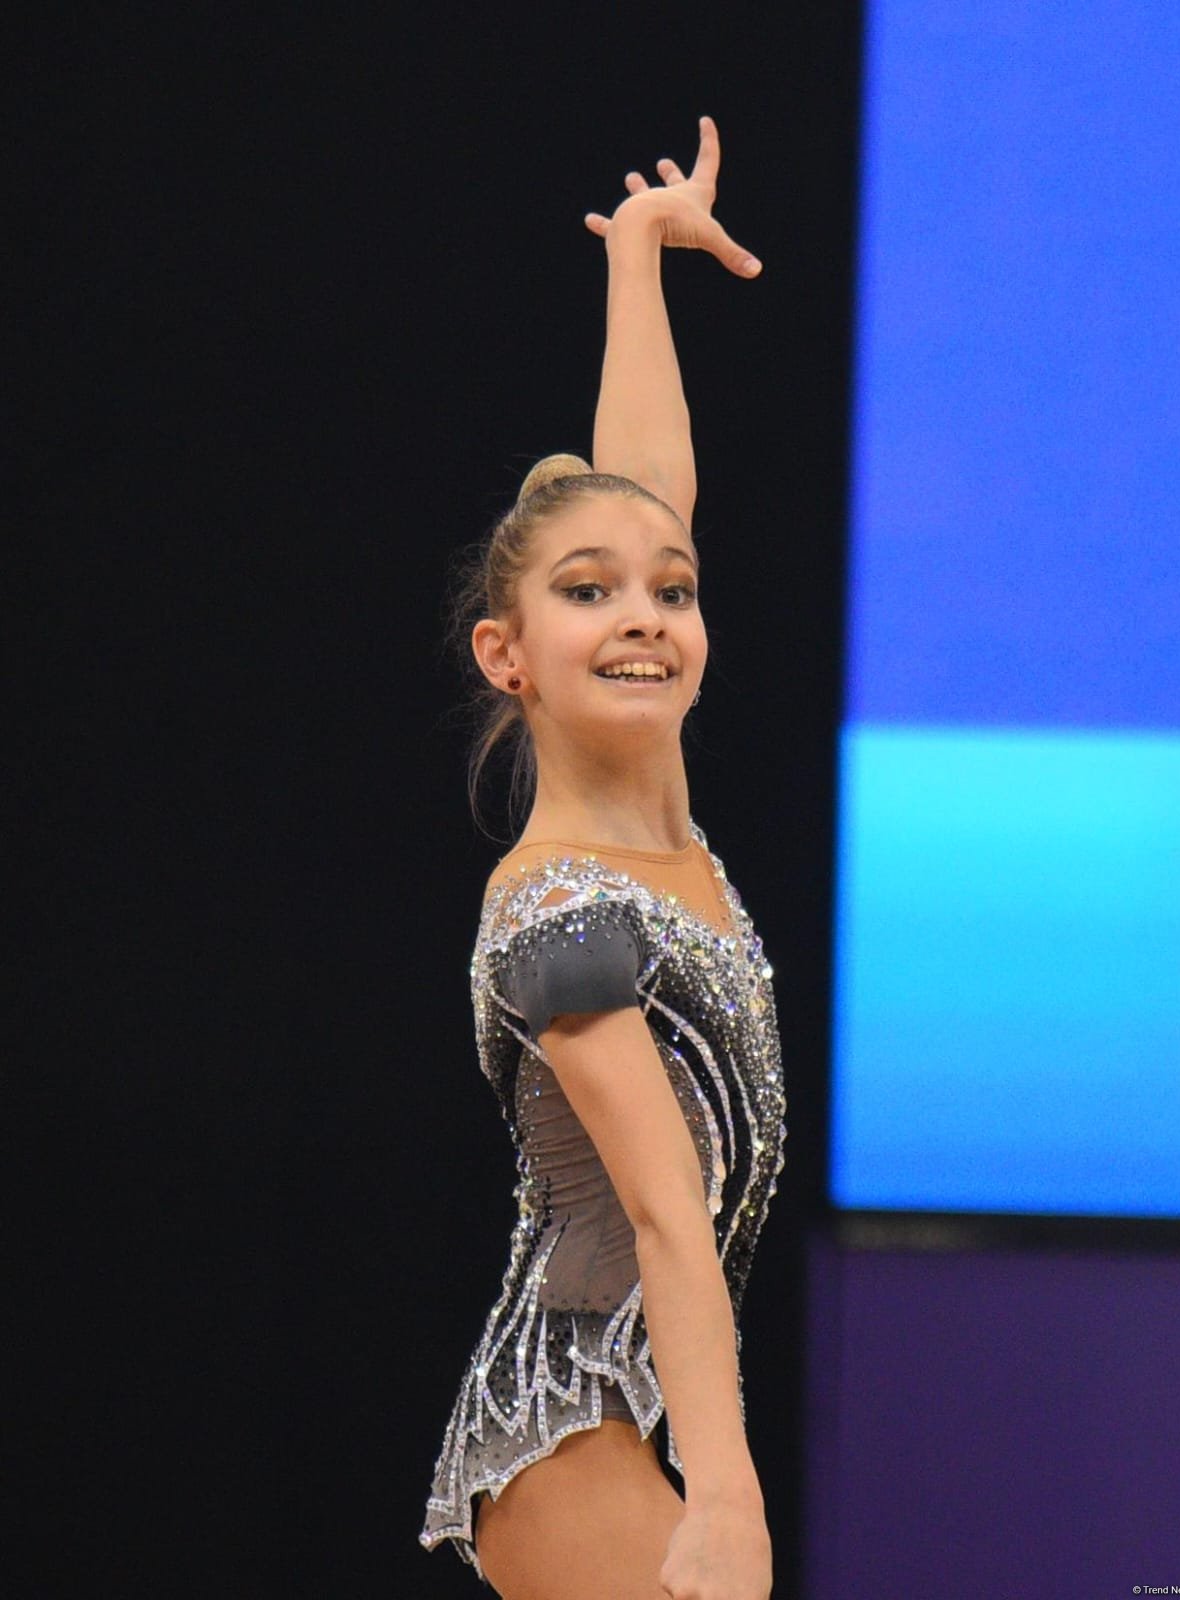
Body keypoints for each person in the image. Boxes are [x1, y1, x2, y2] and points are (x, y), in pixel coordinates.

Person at [420, 116, 786, 1600]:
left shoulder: (666, 816)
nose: (643, 613)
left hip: (643, 1421)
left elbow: (645, 493)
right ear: (507, 657)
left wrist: (637, 257)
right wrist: (734, 1501)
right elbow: (657, 1213)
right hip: (566, 1428)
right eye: (589, 596)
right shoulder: (559, 904)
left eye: (672, 594)